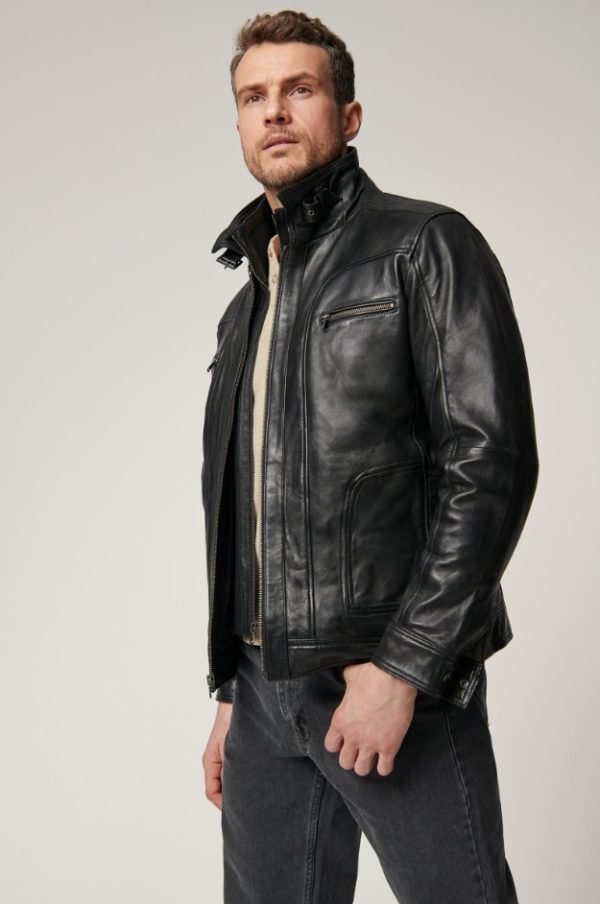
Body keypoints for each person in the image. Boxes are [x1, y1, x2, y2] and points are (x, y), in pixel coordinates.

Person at [201, 10, 538, 903]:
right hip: (262, 694)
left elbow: (492, 462)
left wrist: (405, 668)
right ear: (239, 122)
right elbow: (247, 505)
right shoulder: (247, 306)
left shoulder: (424, 246)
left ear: (348, 116)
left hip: (392, 678)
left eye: (299, 89)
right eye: (254, 97)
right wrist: (231, 692)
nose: (275, 111)